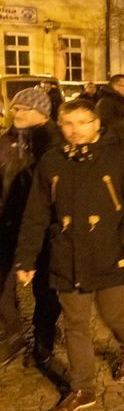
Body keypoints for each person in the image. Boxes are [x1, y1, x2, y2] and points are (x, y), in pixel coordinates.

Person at [13, 99, 124, 411]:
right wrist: (27, 260)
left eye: (83, 122)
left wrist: (122, 239)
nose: (75, 130)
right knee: (75, 323)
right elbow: (36, 214)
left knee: (112, 313)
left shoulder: (120, 159)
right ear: (60, 126)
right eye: (68, 123)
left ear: (97, 124)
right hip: (66, 256)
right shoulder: (51, 163)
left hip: (108, 254)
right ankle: (82, 387)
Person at [0, 88, 63, 367]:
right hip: (7, 222)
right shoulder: (6, 141)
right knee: (2, 284)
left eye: (25, 108)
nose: (18, 113)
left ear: (42, 111)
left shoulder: (54, 141)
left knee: (46, 288)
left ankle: (43, 338)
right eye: (16, 108)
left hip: (42, 226)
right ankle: (12, 336)